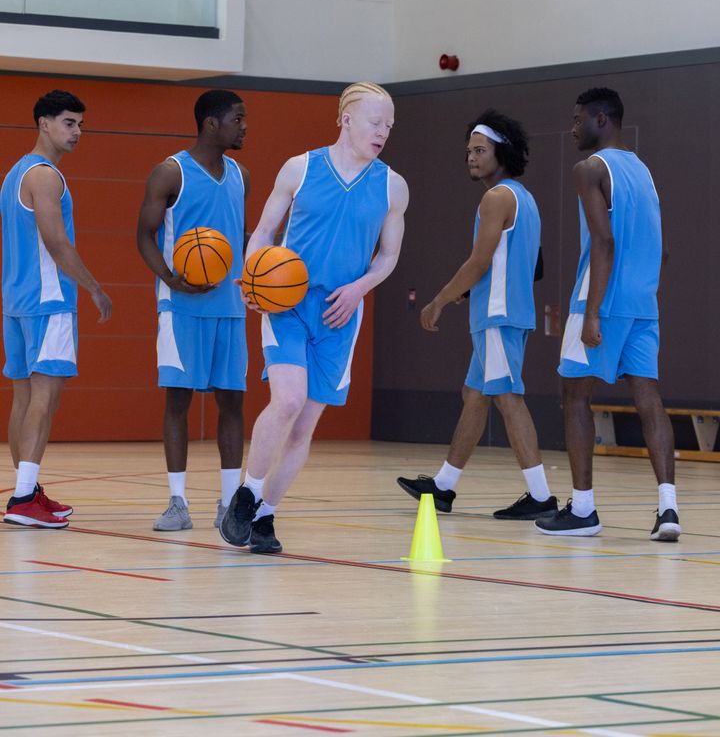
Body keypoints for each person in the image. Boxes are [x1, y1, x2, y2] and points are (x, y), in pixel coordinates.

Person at [220, 81, 408, 554]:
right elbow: (263, 233)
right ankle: (247, 491)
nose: (383, 131)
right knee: (286, 400)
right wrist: (251, 279)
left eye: (389, 125)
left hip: (341, 312)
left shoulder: (392, 186)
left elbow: (387, 258)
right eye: (375, 122)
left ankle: (265, 515)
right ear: (346, 119)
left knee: (304, 426)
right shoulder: (300, 168)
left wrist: (360, 286)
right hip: (287, 302)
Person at [535, 87, 680, 541]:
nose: (573, 127)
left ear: (601, 119)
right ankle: (668, 508)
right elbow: (665, 251)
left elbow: (603, 242)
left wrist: (594, 311)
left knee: (574, 395)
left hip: (600, 300)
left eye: (578, 119)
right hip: (643, 303)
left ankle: (583, 510)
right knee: (649, 398)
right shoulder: (643, 171)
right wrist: (643, 294)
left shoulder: (589, 169)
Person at [397, 109, 555, 520]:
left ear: (501, 152)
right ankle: (444, 486)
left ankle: (541, 497)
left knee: (507, 397)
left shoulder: (496, 197)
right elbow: (532, 265)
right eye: (468, 150)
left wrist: (439, 300)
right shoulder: (525, 198)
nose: (471, 157)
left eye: (480, 150)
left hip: (498, 316)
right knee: (474, 396)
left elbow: (478, 261)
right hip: (505, 311)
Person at [137, 90, 249, 531]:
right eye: (238, 119)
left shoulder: (241, 176)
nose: (244, 126)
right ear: (211, 124)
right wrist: (169, 278)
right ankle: (178, 503)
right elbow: (144, 235)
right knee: (177, 401)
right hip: (181, 306)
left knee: (233, 402)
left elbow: (237, 240)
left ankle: (227, 505)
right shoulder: (170, 172)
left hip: (231, 307)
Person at [2, 89, 112, 529]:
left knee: (24, 398)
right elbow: (55, 241)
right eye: (69, 122)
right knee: (43, 399)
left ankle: (26, 489)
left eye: (80, 124)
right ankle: (23, 498)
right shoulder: (46, 176)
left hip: (16, 301)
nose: (77, 132)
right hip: (48, 301)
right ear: (44, 123)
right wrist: (94, 287)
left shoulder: (15, 172)